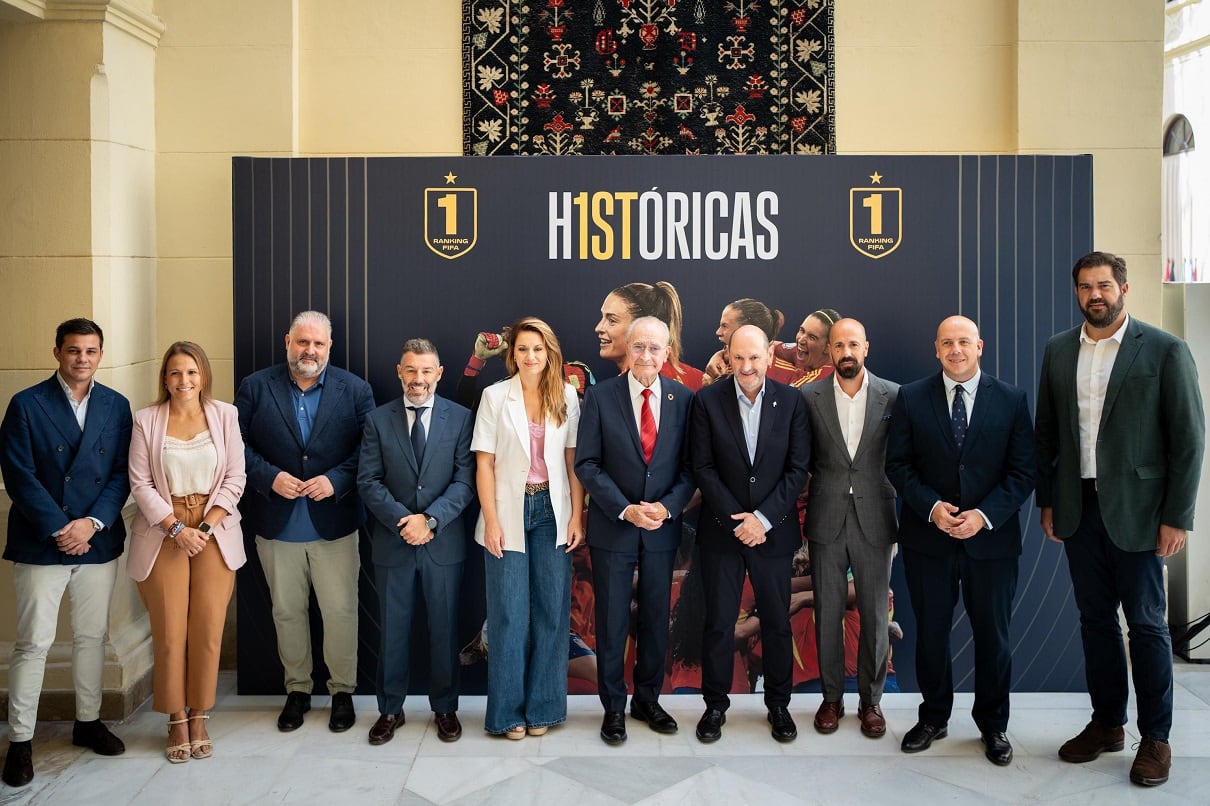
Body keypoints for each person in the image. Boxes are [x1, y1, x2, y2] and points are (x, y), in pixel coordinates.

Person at [1035, 251, 1205, 787]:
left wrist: (1177, 516)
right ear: (1077, 292)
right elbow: (1048, 434)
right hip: (1077, 509)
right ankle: (1108, 723)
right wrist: (1049, 501)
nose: (1095, 295)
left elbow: (1189, 440)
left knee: (1148, 625)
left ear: (1124, 289)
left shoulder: (1164, 349)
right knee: (1094, 622)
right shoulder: (1059, 350)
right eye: (1085, 287)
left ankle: (1156, 738)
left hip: (1140, 513)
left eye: (1104, 285)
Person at [885, 315, 1035, 767]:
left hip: (990, 542)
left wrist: (983, 516)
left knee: (994, 636)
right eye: (947, 343)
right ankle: (933, 717)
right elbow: (899, 465)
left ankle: (993, 725)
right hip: (929, 540)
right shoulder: (912, 398)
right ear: (936, 348)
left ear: (980, 346)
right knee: (931, 632)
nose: (956, 350)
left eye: (964, 342)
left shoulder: (1010, 399)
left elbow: (1024, 471)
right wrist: (932, 508)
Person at [0, 318, 132, 788]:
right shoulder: (26, 404)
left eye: (91, 351)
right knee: (33, 643)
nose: (82, 359)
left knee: (91, 636)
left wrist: (91, 524)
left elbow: (122, 473)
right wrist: (61, 527)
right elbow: (18, 474)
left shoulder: (117, 406)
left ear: (101, 354)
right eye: (74, 350)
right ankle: (19, 740)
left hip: (96, 539)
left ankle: (88, 721)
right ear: (57, 352)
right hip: (42, 540)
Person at [234, 310, 376, 733]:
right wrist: (267, 477)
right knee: (287, 612)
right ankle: (297, 690)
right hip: (276, 523)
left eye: (317, 344)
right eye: (302, 342)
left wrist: (336, 481)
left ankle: (341, 692)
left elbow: (370, 450)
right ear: (287, 342)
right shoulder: (256, 387)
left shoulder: (356, 390)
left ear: (329, 347)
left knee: (340, 611)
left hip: (334, 522)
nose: (309, 350)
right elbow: (232, 444)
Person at [574, 316, 696, 744]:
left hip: (662, 531)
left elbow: (690, 469)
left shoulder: (683, 398)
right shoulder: (601, 397)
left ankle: (647, 699)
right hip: (615, 529)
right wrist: (626, 509)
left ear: (668, 352)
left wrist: (665, 507)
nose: (646, 355)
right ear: (628, 348)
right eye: (639, 346)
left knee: (656, 619)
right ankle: (613, 708)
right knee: (610, 624)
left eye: (655, 348)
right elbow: (586, 463)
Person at [689, 324, 811, 744]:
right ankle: (715, 707)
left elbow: (798, 469)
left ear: (768, 356)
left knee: (777, 623)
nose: (746, 366)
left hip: (772, 534)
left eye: (755, 357)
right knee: (719, 623)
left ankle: (779, 705)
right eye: (738, 357)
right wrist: (739, 520)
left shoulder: (792, 401)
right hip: (723, 533)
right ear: (727, 355)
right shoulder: (707, 401)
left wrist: (763, 519)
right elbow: (702, 468)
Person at [127, 342, 247, 763]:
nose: (184, 381)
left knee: (208, 628)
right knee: (171, 631)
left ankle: (200, 715)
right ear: (164, 378)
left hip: (214, 527)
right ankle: (176, 718)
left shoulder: (225, 415)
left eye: (192, 372)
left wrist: (206, 527)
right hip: (164, 530)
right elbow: (140, 483)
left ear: (204, 376)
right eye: (176, 373)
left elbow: (236, 476)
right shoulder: (146, 420)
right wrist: (177, 528)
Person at [472, 317, 586, 738]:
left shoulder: (567, 396)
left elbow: (573, 463)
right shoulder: (494, 396)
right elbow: (483, 463)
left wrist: (577, 515)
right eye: (522, 349)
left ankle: (544, 710)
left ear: (549, 352)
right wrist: (493, 520)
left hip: (552, 511)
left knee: (553, 614)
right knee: (508, 615)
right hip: (508, 510)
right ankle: (506, 714)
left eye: (538, 348)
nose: (530, 356)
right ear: (512, 354)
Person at [357, 339, 476, 745]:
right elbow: (367, 482)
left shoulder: (461, 419)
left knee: (444, 630)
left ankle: (445, 708)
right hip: (394, 543)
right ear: (399, 372)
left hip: (442, 544)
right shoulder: (377, 420)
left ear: (439, 373)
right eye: (411, 370)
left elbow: (465, 482)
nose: (418, 379)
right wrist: (403, 522)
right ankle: (390, 709)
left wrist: (430, 520)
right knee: (393, 631)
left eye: (426, 371)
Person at [800, 318, 899, 738]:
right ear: (830, 352)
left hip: (876, 518)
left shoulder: (894, 396)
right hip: (825, 519)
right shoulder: (809, 396)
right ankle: (831, 699)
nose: (845, 353)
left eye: (852, 344)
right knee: (827, 613)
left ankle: (871, 702)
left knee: (876, 615)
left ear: (866, 348)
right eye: (838, 346)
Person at [595, 281, 704, 390]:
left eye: (612, 320)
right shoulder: (699, 378)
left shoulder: (642, 383)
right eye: (603, 317)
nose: (598, 328)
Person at [702, 298, 789, 384]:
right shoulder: (720, 367)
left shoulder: (790, 378)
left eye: (725, 326)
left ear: (747, 330)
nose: (718, 332)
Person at [776, 309, 840, 387]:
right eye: (802, 331)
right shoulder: (806, 353)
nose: (801, 340)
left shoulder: (826, 377)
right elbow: (770, 346)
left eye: (812, 337)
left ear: (828, 347)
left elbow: (788, 395)